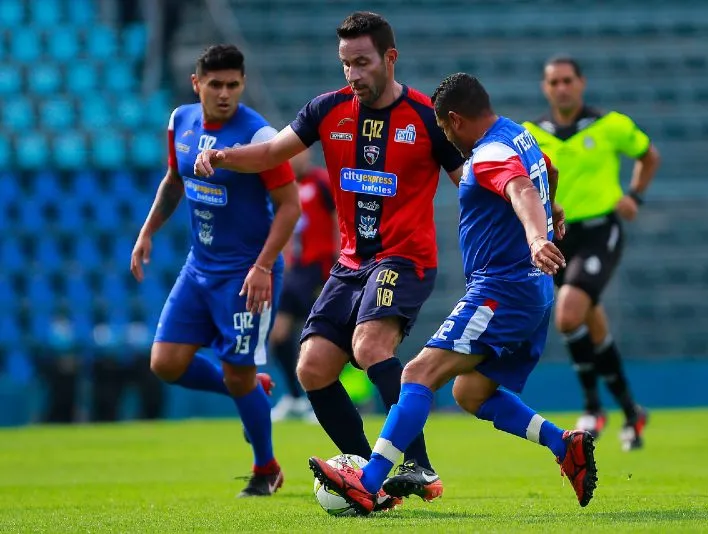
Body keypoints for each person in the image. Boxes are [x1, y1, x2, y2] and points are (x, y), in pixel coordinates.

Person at [194, 11, 464, 508]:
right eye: (345, 64)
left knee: (368, 346)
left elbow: (468, 185)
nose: (353, 75)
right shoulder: (327, 109)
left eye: (362, 63)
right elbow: (274, 151)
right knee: (312, 367)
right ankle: (371, 482)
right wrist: (226, 156)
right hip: (350, 264)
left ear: (390, 58)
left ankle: (418, 463)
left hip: (404, 259)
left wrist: (527, 210)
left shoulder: (427, 117)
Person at [308, 73, 598, 515]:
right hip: (533, 291)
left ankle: (367, 482)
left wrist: (538, 236)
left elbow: (519, 188)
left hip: (502, 290)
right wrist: (552, 206)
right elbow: (544, 172)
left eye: (444, 129)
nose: (445, 138)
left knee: (417, 374)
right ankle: (564, 445)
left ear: (456, 120)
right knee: (470, 394)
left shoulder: (488, 155)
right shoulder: (518, 135)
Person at [130, 44, 301, 497]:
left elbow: (290, 206)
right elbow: (174, 180)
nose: (224, 93)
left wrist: (264, 265)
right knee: (165, 363)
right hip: (198, 268)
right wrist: (147, 231)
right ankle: (251, 393)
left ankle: (266, 468)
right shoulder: (180, 121)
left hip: (247, 275)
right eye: (215, 84)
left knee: (237, 374)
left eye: (233, 85)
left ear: (242, 85)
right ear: (197, 84)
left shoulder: (260, 137)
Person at [522, 56, 661, 451]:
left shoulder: (610, 124)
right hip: (559, 237)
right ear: (545, 88)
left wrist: (634, 196)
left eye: (568, 80)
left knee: (568, 316)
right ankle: (633, 413)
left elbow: (649, 155)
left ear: (581, 83)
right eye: (554, 82)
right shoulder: (532, 134)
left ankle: (591, 407)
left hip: (601, 232)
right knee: (592, 324)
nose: (562, 87)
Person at [268, 151, 337, 421]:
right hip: (294, 272)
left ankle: (322, 402)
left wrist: (337, 264)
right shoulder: (283, 189)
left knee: (320, 338)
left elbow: (337, 222)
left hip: (319, 270)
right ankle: (295, 399)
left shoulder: (321, 182)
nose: (295, 159)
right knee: (278, 334)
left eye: (300, 153)